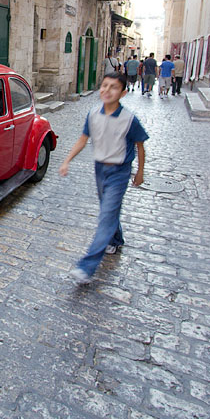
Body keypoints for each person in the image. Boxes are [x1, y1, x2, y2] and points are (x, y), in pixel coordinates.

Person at [59, 72, 148, 284]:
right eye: (104, 85)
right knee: (108, 210)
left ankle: (86, 267)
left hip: (119, 172)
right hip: (100, 169)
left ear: (123, 93)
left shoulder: (129, 119)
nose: (107, 91)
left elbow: (140, 145)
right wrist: (67, 160)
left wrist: (141, 172)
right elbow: (83, 139)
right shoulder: (93, 114)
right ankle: (116, 239)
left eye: (114, 87)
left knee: (106, 215)